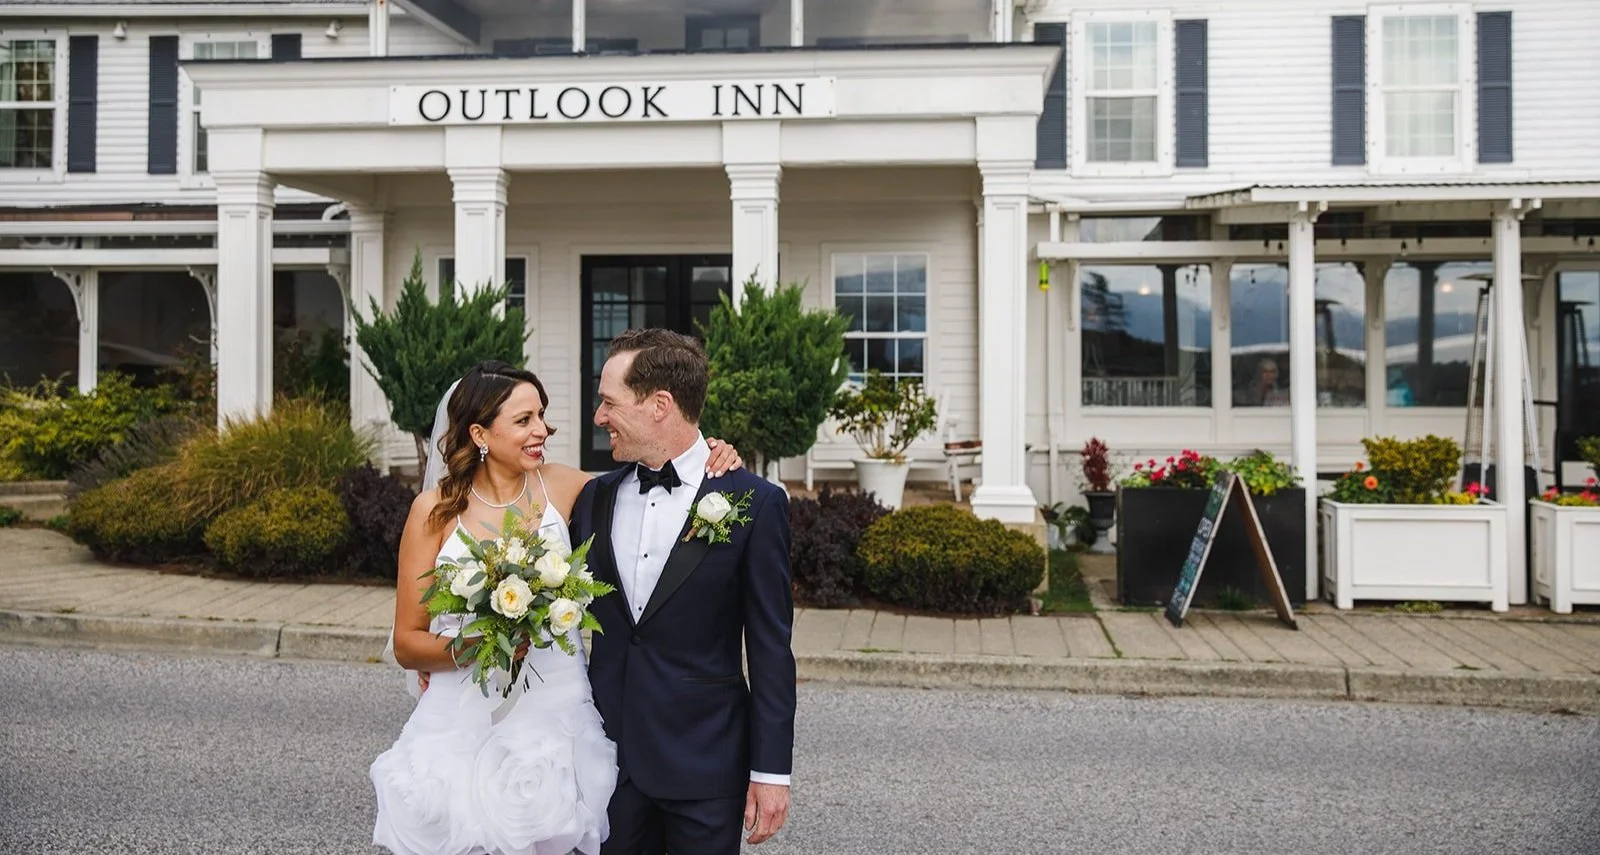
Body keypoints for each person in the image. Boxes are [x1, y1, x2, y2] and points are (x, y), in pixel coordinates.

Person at [370, 360, 743, 855]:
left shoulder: (564, 487)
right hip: (464, 712)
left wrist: (711, 451)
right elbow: (408, 642)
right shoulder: (434, 511)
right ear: (479, 432)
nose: (541, 430)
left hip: (556, 710)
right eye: (524, 420)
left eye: (542, 416)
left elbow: (656, 473)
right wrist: (481, 645)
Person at [571, 329, 797, 855]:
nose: (599, 417)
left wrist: (771, 772)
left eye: (608, 402)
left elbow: (769, 649)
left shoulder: (754, 503)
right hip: (606, 764)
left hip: (705, 766)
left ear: (659, 405)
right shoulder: (591, 498)